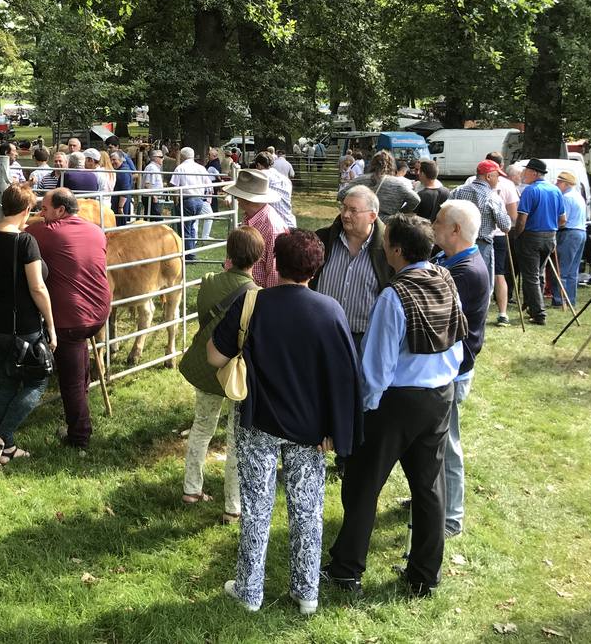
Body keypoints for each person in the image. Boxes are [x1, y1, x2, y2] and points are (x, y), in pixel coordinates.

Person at [208, 230, 361, 615]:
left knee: (256, 509)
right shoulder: (331, 311)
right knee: (307, 510)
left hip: (258, 422)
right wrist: (335, 431)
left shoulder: (251, 302)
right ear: (317, 267)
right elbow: (345, 378)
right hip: (311, 431)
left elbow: (213, 356)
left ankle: (249, 592)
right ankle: (307, 593)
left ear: (275, 263)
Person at [324, 214, 466, 599]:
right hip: (440, 395)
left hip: (397, 400)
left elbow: (376, 366)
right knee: (429, 488)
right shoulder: (445, 279)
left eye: (387, 243)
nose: (383, 247)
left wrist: (364, 410)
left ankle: (346, 569)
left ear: (398, 251)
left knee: (363, 484)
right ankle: (424, 575)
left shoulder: (394, 295)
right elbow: (458, 337)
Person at [0, 184, 56, 467]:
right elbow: (38, 288)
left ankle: (0, 444)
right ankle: (3, 439)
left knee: (6, 381)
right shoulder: (26, 242)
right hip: (24, 326)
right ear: (27, 210)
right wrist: (51, 327)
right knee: (37, 381)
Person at [181, 227, 264, 523]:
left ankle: (191, 489)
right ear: (258, 257)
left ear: (228, 253)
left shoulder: (209, 282)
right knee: (235, 439)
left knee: (202, 426)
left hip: (207, 367)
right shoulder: (257, 297)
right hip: (237, 376)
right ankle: (233, 506)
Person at [26, 189, 111, 451]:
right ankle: (81, 407)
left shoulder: (46, 232)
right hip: (99, 311)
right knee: (78, 359)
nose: (41, 213)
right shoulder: (96, 230)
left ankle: (79, 435)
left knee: (70, 380)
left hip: (72, 317)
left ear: (60, 211)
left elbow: (20, 232)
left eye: (45, 209)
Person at [431, 201, 490, 539]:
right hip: (446, 368)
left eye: (439, 221)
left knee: (447, 443)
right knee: (434, 440)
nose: (433, 225)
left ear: (455, 229)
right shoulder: (451, 260)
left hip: (453, 371)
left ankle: (451, 516)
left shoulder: (466, 270)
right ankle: (432, 497)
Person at [311, 186, 393, 357]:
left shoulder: (388, 249)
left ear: (372, 216)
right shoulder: (323, 239)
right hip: (320, 332)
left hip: (363, 341)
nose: (345, 214)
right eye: (344, 207)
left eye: (353, 210)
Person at [511, 158, 565, 325]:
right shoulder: (555, 190)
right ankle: (533, 306)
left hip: (531, 236)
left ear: (534, 173)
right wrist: (549, 227)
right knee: (538, 273)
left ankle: (539, 313)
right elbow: (563, 220)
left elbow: (521, 220)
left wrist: (516, 235)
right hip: (550, 236)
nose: (523, 174)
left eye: (526, 171)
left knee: (531, 276)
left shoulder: (530, 190)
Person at [447, 159, 512, 283]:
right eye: (497, 176)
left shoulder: (457, 191)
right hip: (481, 246)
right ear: (488, 176)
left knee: (457, 281)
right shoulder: (493, 197)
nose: (498, 180)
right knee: (481, 284)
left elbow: (444, 215)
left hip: (457, 243)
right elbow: (505, 226)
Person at [224, 169, 286, 288]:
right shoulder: (250, 217)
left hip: (256, 295)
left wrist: (266, 302)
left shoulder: (272, 227)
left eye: (238, 195)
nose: (236, 198)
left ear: (247, 199)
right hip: (243, 289)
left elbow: (273, 271)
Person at [484, 153, 520, 327]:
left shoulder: (469, 182)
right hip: (499, 234)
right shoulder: (508, 185)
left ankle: (477, 311)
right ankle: (502, 313)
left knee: (478, 273)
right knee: (499, 274)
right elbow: (513, 216)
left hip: (475, 235)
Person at [339, 150, 420, 220]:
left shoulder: (360, 180)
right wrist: (400, 212)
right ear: (391, 165)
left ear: (372, 164)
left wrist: (353, 207)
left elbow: (341, 194)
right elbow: (415, 199)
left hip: (361, 220)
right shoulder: (398, 184)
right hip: (387, 224)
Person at [551, 170, 588, 309]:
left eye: (559, 182)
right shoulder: (578, 196)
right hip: (581, 232)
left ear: (566, 184)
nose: (556, 184)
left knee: (561, 269)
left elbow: (563, 220)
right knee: (573, 270)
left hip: (569, 233)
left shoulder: (566, 198)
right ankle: (570, 298)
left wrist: (552, 227)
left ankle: (559, 299)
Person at [170, 146, 214, 261]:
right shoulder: (201, 168)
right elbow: (209, 185)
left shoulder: (180, 168)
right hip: (199, 200)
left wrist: (175, 201)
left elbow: (174, 186)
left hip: (187, 200)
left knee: (185, 229)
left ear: (183, 156)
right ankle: (191, 251)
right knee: (192, 226)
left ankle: (189, 255)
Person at [250, 151, 296, 228]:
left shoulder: (262, 175)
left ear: (258, 165)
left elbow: (246, 191)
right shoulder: (285, 179)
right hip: (289, 222)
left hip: (276, 226)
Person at [108, 142, 136, 225]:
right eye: (111, 160)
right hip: (121, 202)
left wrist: (120, 207)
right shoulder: (123, 169)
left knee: (120, 224)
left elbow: (124, 191)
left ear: (120, 159)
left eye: (114, 160)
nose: (112, 162)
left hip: (120, 204)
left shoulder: (122, 172)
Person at [141, 149, 164, 219]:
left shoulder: (153, 167)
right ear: (155, 158)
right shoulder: (152, 168)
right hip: (151, 198)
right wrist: (154, 196)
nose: (163, 159)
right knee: (156, 220)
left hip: (152, 197)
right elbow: (147, 184)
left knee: (152, 219)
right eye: (161, 157)